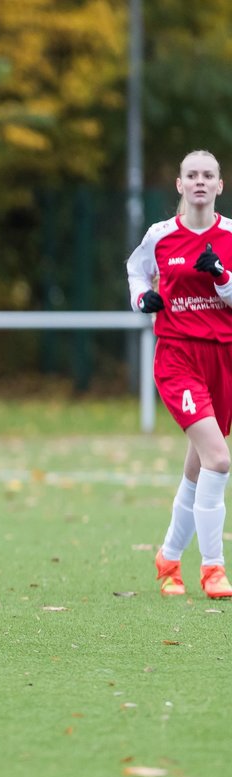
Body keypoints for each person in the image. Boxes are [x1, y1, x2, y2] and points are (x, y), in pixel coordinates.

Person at [127, 149, 232, 599]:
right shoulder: (160, 236)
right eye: (192, 175)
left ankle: (169, 559)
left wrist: (221, 277)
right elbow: (136, 271)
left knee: (197, 468)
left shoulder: (230, 235)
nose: (200, 182)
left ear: (220, 185)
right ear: (179, 185)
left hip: (223, 360)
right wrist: (141, 299)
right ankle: (213, 569)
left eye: (208, 175)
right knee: (220, 459)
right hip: (177, 359)